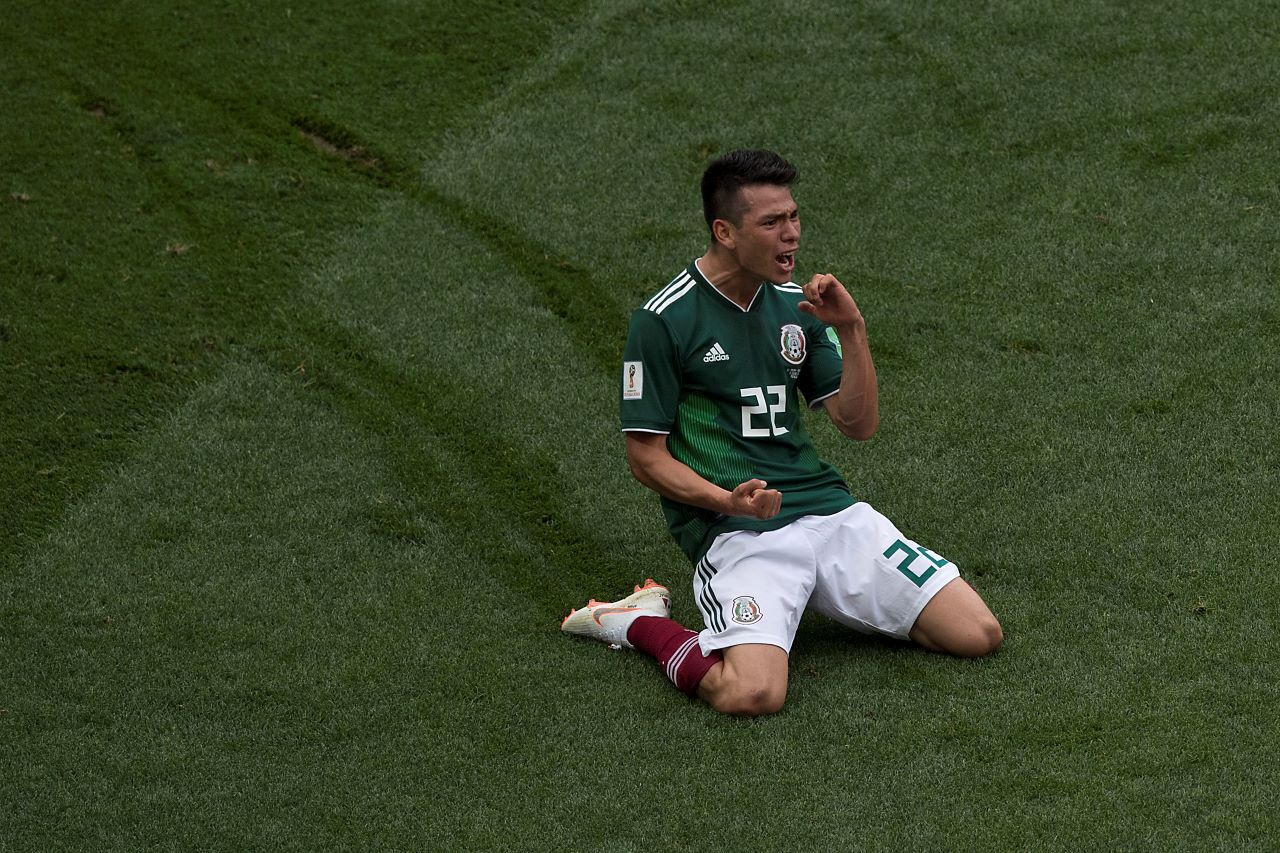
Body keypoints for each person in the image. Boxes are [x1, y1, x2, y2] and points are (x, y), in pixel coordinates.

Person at [562, 149, 1002, 716]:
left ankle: (805, 595)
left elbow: (857, 423)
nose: (790, 234)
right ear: (725, 231)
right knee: (752, 694)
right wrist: (728, 501)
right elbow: (645, 457)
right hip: (738, 531)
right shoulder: (664, 319)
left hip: (827, 512)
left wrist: (852, 329)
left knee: (977, 634)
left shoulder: (799, 307)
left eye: (793, 217)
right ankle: (641, 622)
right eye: (771, 223)